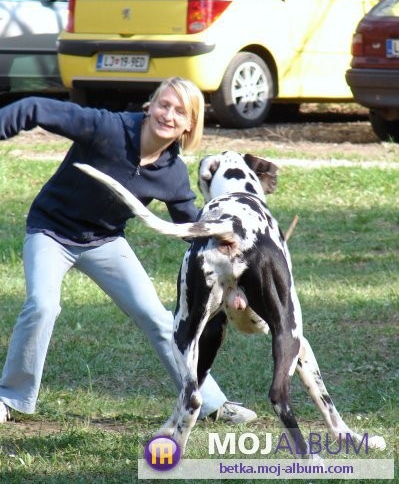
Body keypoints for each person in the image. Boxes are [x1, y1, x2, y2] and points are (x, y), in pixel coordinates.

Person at [0, 77, 257, 425]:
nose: (169, 115)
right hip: (51, 231)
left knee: (158, 317)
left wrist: (229, 245)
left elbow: (189, 228)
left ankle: (211, 402)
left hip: (105, 241)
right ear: (149, 105)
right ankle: (10, 397)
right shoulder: (107, 128)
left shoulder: (172, 174)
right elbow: (34, 108)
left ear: (189, 125)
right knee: (43, 305)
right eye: (164, 104)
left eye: (180, 112)